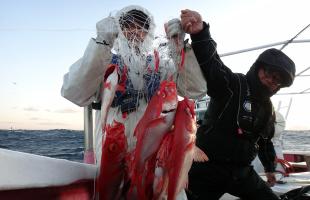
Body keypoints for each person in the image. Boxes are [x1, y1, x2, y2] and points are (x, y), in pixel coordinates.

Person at [61, 5, 207, 199]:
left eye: (141, 26)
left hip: (158, 167)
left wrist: (180, 48)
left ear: (149, 31)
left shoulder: (163, 66)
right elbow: (73, 92)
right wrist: (101, 43)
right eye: (128, 25)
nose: (134, 31)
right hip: (112, 166)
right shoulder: (104, 65)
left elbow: (196, 90)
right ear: (118, 31)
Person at [180, 9, 296, 200]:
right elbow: (212, 64)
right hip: (206, 169)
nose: (271, 80)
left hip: (242, 173)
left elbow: (265, 142)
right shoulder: (231, 84)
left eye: (278, 80)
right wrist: (200, 33)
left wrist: (269, 169)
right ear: (258, 67)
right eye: (269, 73)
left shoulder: (268, 109)